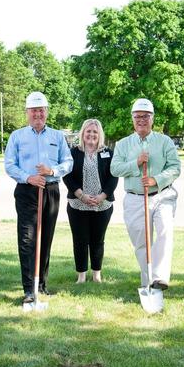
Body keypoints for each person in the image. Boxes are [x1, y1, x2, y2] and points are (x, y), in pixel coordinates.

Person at [4, 91, 73, 304]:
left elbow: (68, 162)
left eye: (41, 110)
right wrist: (29, 178)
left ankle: (41, 284)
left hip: (50, 190)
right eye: (33, 110)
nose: (38, 114)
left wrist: (52, 171)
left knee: (46, 237)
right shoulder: (17, 136)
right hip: (27, 191)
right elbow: (9, 165)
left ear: (47, 112)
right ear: (27, 113)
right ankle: (28, 289)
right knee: (27, 238)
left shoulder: (57, 136)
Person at [111, 98, 181, 290]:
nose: (141, 120)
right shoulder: (122, 144)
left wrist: (156, 180)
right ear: (132, 119)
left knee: (165, 231)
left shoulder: (165, 141)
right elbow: (115, 168)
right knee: (141, 242)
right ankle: (148, 280)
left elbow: (175, 167)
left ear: (152, 119)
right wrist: (136, 163)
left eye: (145, 116)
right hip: (135, 197)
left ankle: (159, 277)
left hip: (162, 195)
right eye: (137, 116)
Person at [62, 119, 118, 284]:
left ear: (99, 134)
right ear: (82, 133)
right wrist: (81, 195)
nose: (91, 135)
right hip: (78, 204)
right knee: (80, 240)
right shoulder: (73, 153)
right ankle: (81, 276)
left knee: (97, 240)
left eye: (95, 132)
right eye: (88, 131)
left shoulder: (108, 153)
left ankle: (96, 274)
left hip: (102, 205)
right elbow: (67, 176)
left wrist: (102, 197)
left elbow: (113, 177)